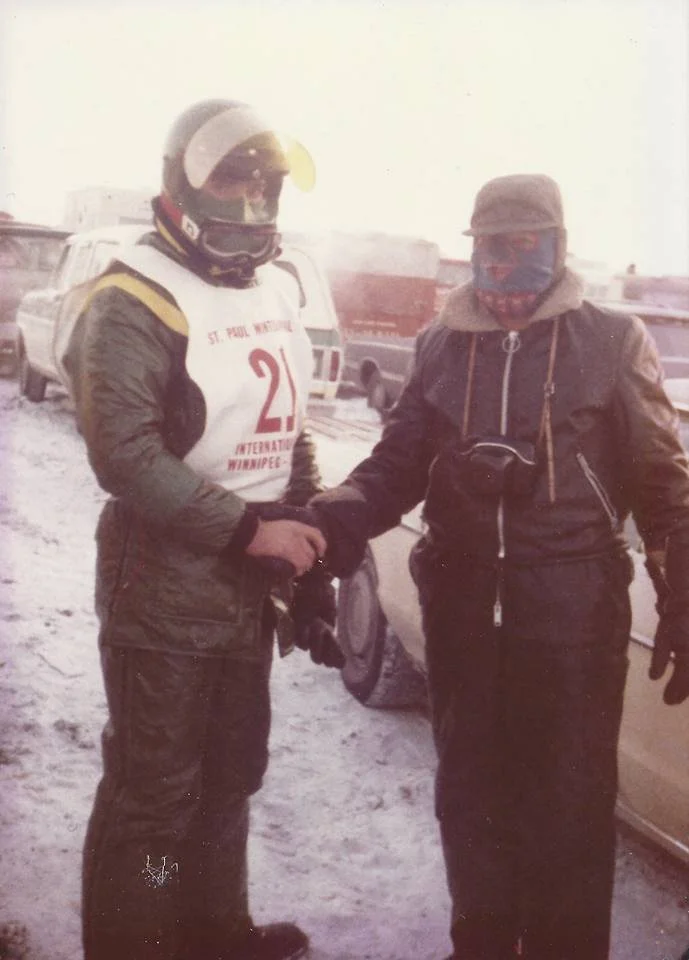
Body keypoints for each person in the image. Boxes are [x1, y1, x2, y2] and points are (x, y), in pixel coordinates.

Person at [309, 173, 689, 960]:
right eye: (490, 253)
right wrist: (327, 523)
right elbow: (396, 462)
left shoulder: (611, 340)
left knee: (570, 805)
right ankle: (477, 945)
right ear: (472, 252)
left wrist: (682, 584)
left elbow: (663, 485)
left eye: (525, 252)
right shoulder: (440, 344)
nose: (506, 278)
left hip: (572, 613)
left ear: (558, 249)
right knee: (469, 795)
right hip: (461, 605)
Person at [69, 99, 343, 960]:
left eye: (264, 186)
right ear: (183, 186)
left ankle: (214, 926)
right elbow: (125, 454)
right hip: (165, 586)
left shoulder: (272, 286)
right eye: (230, 182)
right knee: (158, 796)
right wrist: (247, 534)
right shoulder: (132, 297)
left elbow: (286, 430)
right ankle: (142, 936)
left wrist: (304, 541)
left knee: (229, 777)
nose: (250, 203)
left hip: (243, 587)